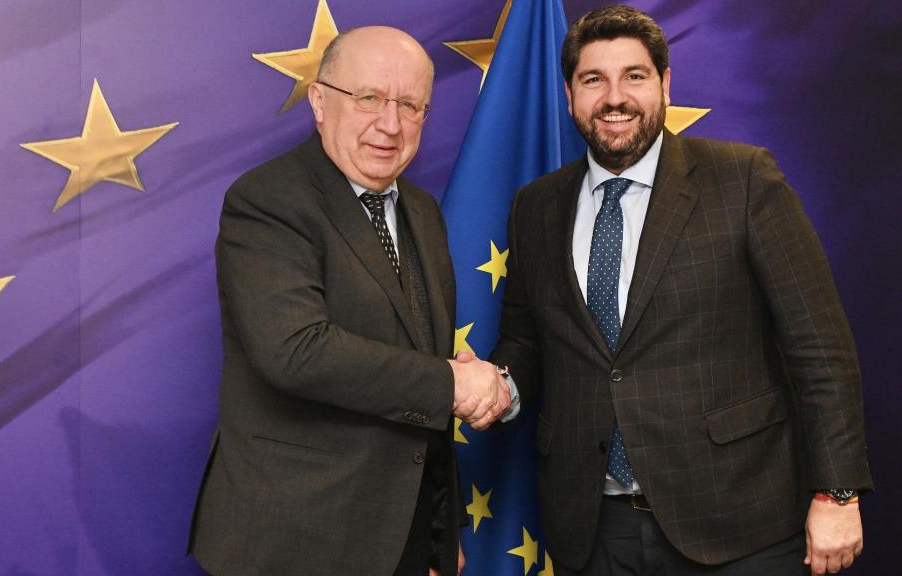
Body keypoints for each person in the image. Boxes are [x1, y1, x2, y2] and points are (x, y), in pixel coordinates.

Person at [491, 6, 872, 575]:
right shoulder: (536, 206)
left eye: (635, 76)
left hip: (741, 522)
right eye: (594, 79)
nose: (614, 97)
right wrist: (496, 386)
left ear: (665, 84)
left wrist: (837, 492)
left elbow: (820, 348)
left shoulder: (742, 180)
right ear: (569, 93)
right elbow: (527, 340)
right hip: (593, 530)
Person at [188, 26, 511, 576]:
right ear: (319, 101)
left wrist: (437, 532)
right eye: (369, 99)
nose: (390, 124)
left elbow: (420, 370)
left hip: (401, 538)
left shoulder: (423, 212)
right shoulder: (268, 201)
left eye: (410, 105)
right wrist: (454, 385)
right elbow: (296, 351)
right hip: (294, 542)